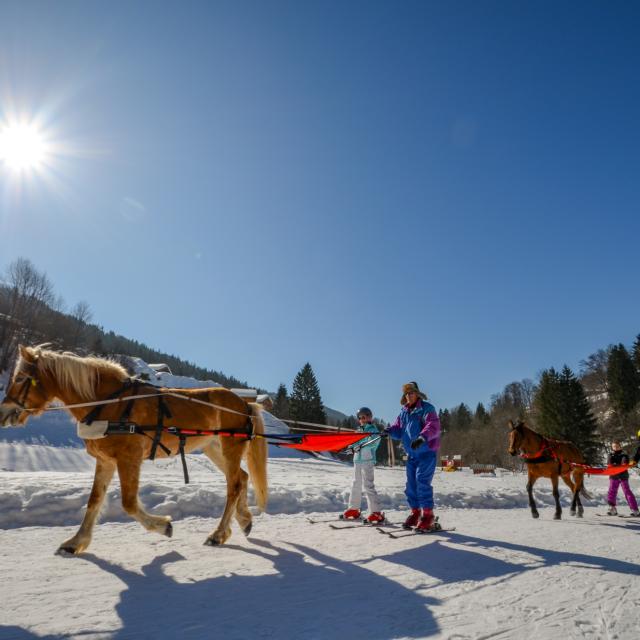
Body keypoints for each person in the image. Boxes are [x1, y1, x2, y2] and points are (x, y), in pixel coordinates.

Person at [386, 381, 441, 532]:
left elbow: (434, 426)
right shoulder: (403, 412)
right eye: (406, 394)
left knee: (422, 481)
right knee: (411, 485)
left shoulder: (427, 409)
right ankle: (416, 513)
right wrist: (390, 431)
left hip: (426, 453)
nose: (408, 396)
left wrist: (422, 437)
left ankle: (428, 516)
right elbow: (398, 430)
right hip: (412, 455)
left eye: (411, 393)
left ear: (417, 394)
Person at [342, 407, 384, 523]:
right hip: (357, 461)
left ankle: (376, 512)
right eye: (360, 418)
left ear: (369, 417)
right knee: (356, 484)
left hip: (367, 460)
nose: (362, 419)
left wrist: (361, 445)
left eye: (364, 417)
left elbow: (373, 442)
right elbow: (353, 443)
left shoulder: (373, 430)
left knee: (368, 485)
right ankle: (354, 509)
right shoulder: (358, 431)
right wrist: (350, 448)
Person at [606, 440, 640, 517]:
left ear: (620, 446)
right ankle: (612, 508)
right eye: (613, 446)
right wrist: (612, 464)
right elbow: (609, 462)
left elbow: (624, 461)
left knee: (627, 492)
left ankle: (635, 510)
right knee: (611, 491)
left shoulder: (624, 455)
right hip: (613, 476)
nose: (615, 448)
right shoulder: (610, 454)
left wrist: (622, 464)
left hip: (623, 476)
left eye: (617, 446)